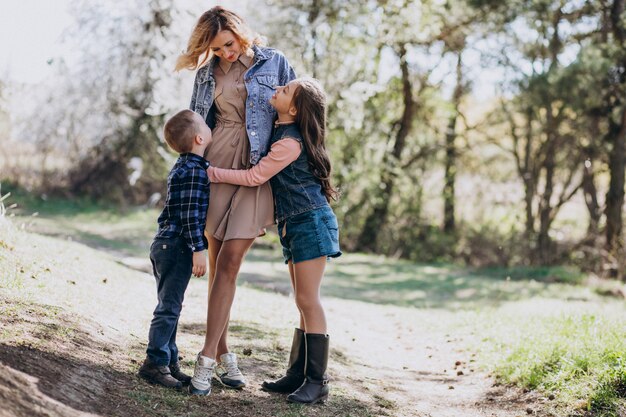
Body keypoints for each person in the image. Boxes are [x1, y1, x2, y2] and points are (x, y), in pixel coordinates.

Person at [175, 6, 296, 394]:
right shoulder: (207, 73)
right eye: (217, 48)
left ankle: (205, 359)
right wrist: (189, 173)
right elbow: (196, 122)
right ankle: (226, 354)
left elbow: (299, 111)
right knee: (215, 264)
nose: (226, 53)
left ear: (239, 32)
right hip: (216, 164)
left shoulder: (274, 61)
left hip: (258, 168)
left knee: (230, 262)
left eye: (228, 44)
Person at [206, 78, 341, 405]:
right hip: (294, 224)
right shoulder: (281, 133)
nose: (277, 90)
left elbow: (256, 177)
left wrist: (214, 173)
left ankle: (317, 381)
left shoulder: (289, 143)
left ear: (293, 109)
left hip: (310, 223)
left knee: (309, 300)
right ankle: (297, 374)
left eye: (285, 91)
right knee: (301, 300)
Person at [138, 109, 212, 389]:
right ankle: (155, 363)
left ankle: (168, 361)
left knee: (171, 305)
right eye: (206, 124)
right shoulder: (194, 171)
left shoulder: (185, 166)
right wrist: (198, 248)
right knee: (168, 307)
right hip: (178, 245)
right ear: (199, 137)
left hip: (165, 244)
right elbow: (189, 215)